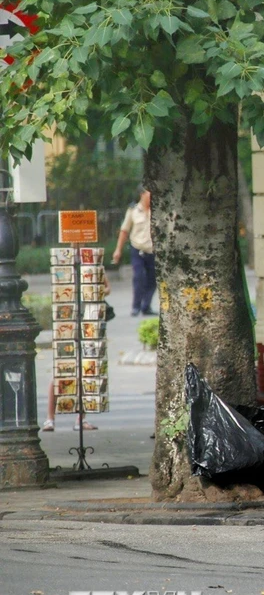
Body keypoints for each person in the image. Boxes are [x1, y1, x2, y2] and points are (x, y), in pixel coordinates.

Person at [41, 276, 112, 432]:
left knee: (87, 372)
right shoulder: (65, 267)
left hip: (90, 323)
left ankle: (81, 419)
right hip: (66, 325)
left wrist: (94, 293)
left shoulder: (93, 265)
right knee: (60, 373)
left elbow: (107, 288)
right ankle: (50, 418)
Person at [112, 185, 156, 317]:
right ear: (142, 194)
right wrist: (118, 250)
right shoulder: (133, 211)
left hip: (153, 250)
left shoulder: (157, 210)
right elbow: (124, 231)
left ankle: (146, 306)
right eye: (149, 194)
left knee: (152, 280)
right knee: (139, 277)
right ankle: (136, 306)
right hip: (138, 249)